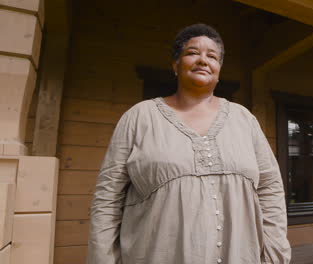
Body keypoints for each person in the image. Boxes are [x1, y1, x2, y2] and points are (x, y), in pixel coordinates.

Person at [87, 23, 291, 264]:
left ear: (218, 69)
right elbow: (107, 198)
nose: (203, 60)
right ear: (175, 65)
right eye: (193, 53)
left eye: (212, 56)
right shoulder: (140, 117)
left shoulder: (244, 119)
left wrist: (275, 254)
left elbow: (271, 189)